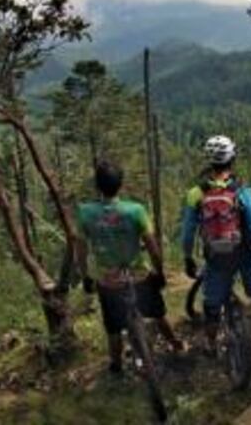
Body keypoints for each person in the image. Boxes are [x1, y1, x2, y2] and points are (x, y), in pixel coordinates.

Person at [75, 159, 186, 376]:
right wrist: (159, 272)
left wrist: (86, 276)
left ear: (98, 186)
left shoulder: (85, 212)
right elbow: (153, 247)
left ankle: (116, 366)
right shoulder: (135, 210)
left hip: (109, 282)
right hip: (139, 278)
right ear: (121, 184)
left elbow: (81, 249)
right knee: (157, 314)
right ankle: (175, 345)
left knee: (114, 328)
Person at [181, 135, 251, 355]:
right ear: (232, 158)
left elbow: (187, 234)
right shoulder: (242, 190)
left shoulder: (196, 193)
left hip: (216, 256)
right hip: (244, 252)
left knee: (212, 303)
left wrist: (188, 258)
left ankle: (212, 346)